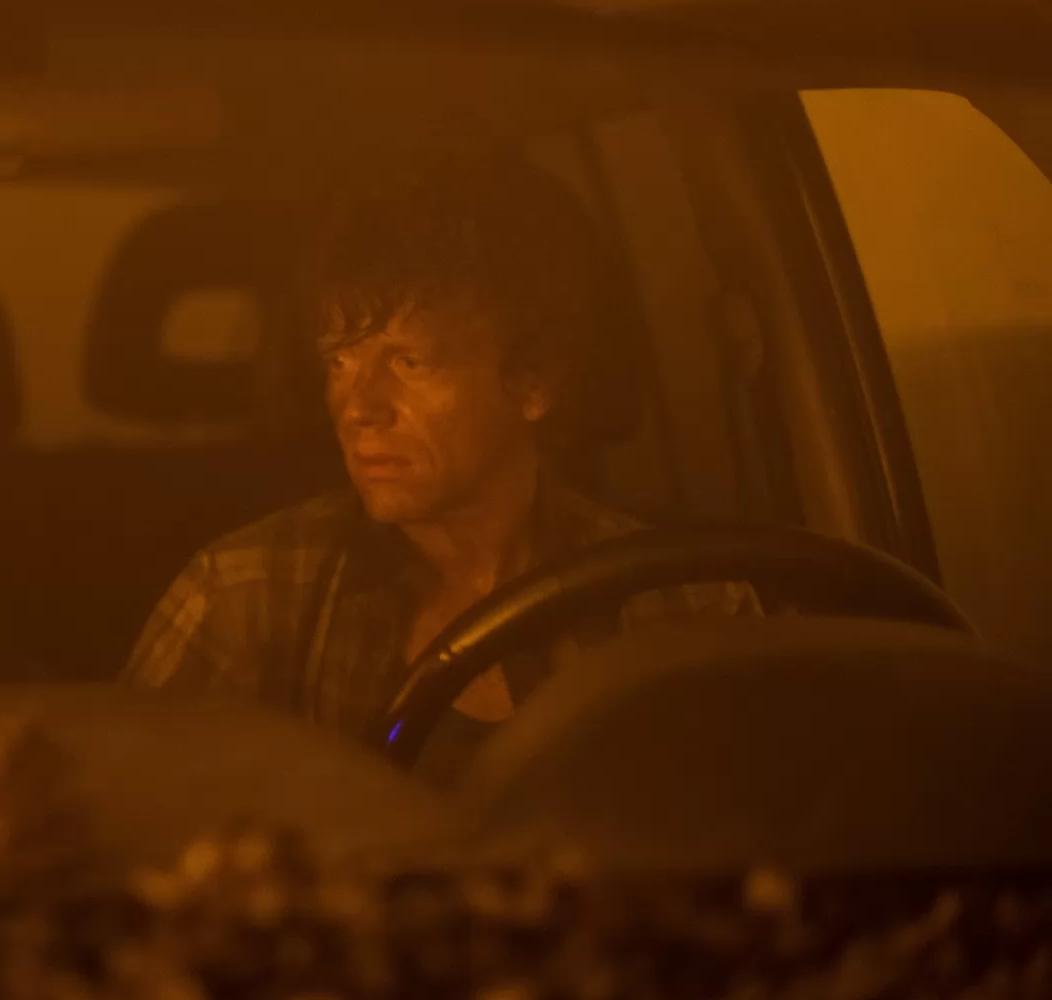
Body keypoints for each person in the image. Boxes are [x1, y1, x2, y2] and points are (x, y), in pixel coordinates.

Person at [123, 154, 752, 784]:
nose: (358, 408)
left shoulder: (680, 608)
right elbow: (121, 812)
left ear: (534, 382)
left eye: (409, 363)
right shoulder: (246, 596)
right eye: (338, 362)